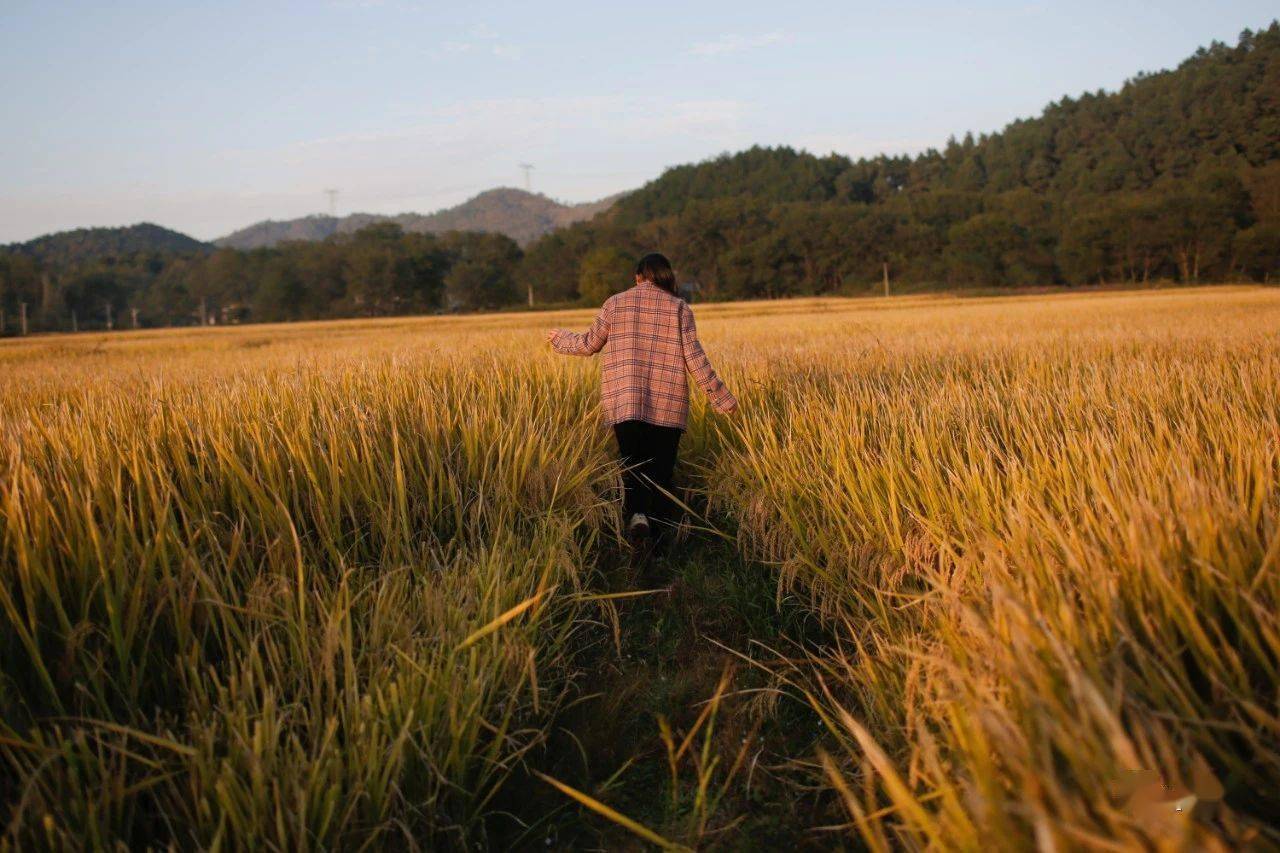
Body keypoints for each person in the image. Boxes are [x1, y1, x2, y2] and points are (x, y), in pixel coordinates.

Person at [546, 252, 738, 550]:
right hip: (668, 404)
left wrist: (560, 338)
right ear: (666, 276)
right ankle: (660, 544)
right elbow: (695, 359)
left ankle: (637, 520)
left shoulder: (616, 303)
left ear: (638, 277)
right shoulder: (679, 308)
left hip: (625, 402)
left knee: (633, 465)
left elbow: (588, 344)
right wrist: (722, 398)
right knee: (661, 473)